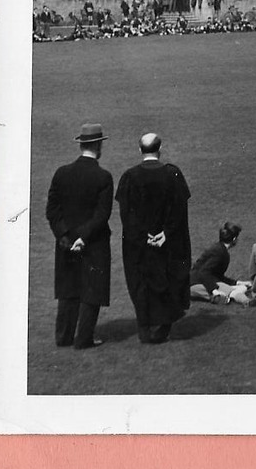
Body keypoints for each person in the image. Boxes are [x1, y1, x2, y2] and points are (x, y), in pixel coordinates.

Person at [115, 131, 192, 344]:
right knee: (166, 281)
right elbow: (179, 210)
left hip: (139, 244)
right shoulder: (172, 174)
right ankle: (162, 328)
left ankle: (145, 328)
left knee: (141, 283)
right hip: (167, 241)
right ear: (160, 149)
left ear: (140, 150)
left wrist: (142, 237)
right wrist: (165, 233)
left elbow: (126, 215)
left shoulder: (129, 177)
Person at [45, 122, 114, 349]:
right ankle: (84, 339)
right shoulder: (103, 177)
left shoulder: (61, 173)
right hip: (93, 242)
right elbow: (101, 214)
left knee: (68, 288)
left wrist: (65, 236)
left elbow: (52, 210)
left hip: (65, 243)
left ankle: (63, 337)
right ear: (97, 145)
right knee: (91, 290)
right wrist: (83, 237)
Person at [189, 222, 247, 304]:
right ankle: (247, 301)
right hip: (195, 284)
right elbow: (203, 272)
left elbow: (216, 275)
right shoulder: (219, 253)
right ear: (234, 239)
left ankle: (220, 298)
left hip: (197, 282)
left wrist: (237, 282)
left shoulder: (219, 249)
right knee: (235, 290)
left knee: (241, 287)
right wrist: (214, 290)